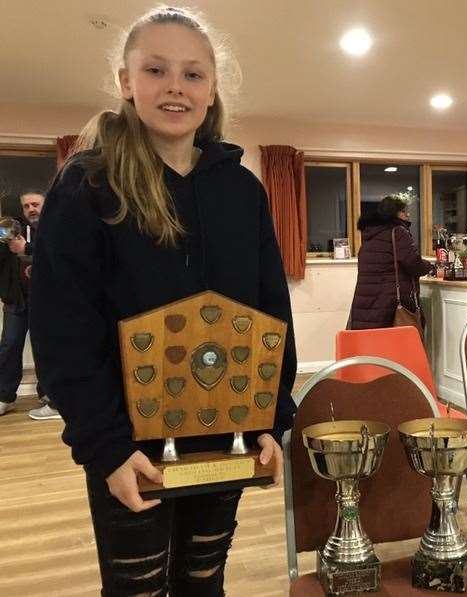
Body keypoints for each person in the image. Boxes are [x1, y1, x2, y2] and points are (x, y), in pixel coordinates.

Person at [29, 7, 296, 595]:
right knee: (137, 588)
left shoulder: (242, 189)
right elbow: (61, 329)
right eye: (156, 69)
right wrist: (105, 446)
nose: (175, 86)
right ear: (127, 82)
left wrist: (273, 419)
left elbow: (270, 314)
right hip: (129, 448)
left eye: (193, 74)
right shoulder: (87, 185)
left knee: (204, 580)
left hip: (225, 433)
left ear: (212, 88)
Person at [0, 191, 58, 419]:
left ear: (45, 205)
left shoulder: (55, 227)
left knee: (45, 347)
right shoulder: (10, 227)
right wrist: (5, 239)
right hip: (16, 299)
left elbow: (58, 257)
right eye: (26, 206)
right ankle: (5, 397)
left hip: (46, 300)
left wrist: (27, 250)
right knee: (9, 346)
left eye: (35, 204)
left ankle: (48, 395)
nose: (31, 209)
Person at [348, 194, 433, 330]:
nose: (408, 214)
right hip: (389, 305)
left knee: (373, 347)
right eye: (404, 211)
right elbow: (413, 264)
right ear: (395, 213)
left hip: (366, 303)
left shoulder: (369, 236)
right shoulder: (398, 232)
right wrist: (429, 266)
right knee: (396, 347)